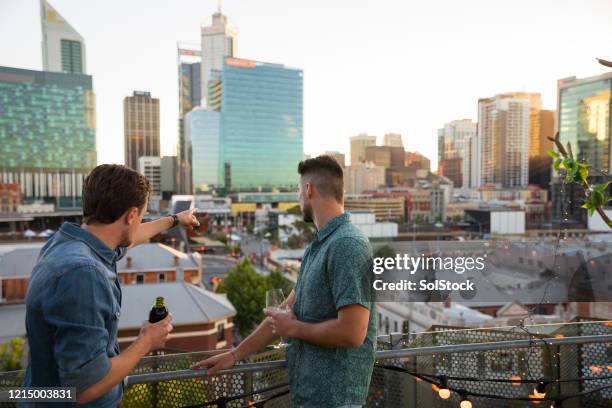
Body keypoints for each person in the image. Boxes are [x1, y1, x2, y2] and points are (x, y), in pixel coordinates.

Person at [192, 156, 376, 408]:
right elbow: (282, 316)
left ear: (309, 190)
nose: (299, 198)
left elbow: (353, 332)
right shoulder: (319, 247)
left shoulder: (348, 245)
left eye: (299, 191)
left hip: (336, 400)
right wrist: (235, 355)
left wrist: (294, 329)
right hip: (311, 398)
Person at [21, 164, 200, 407]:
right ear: (131, 216)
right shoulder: (83, 274)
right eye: (141, 216)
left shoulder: (67, 245)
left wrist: (176, 220)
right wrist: (146, 341)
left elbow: (129, 237)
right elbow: (85, 388)